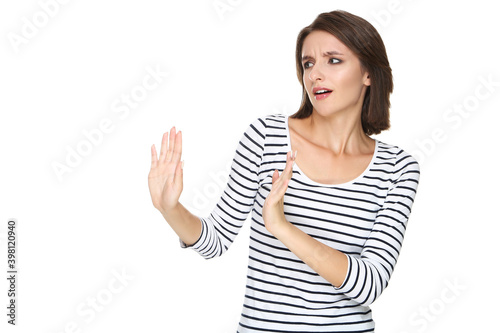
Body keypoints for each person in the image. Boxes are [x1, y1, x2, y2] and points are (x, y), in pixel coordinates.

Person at [148, 9, 420, 332]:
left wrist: (282, 227)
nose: (315, 74)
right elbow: (215, 240)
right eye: (308, 63)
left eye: (333, 60)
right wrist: (170, 209)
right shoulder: (266, 138)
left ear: (368, 74)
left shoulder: (398, 169)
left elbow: (370, 284)